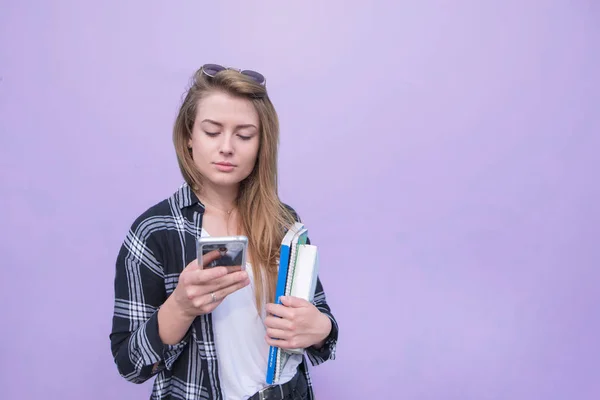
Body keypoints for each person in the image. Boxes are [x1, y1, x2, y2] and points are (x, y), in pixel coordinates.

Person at [109, 63, 338, 400]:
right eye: (212, 132)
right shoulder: (154, 232)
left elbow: (320, 318)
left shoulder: (283, 221)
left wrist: (321, 328)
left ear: (262, 144)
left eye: (244, 135)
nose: (227, 147)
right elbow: (130, 365)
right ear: (188, 137)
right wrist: (181, 307)